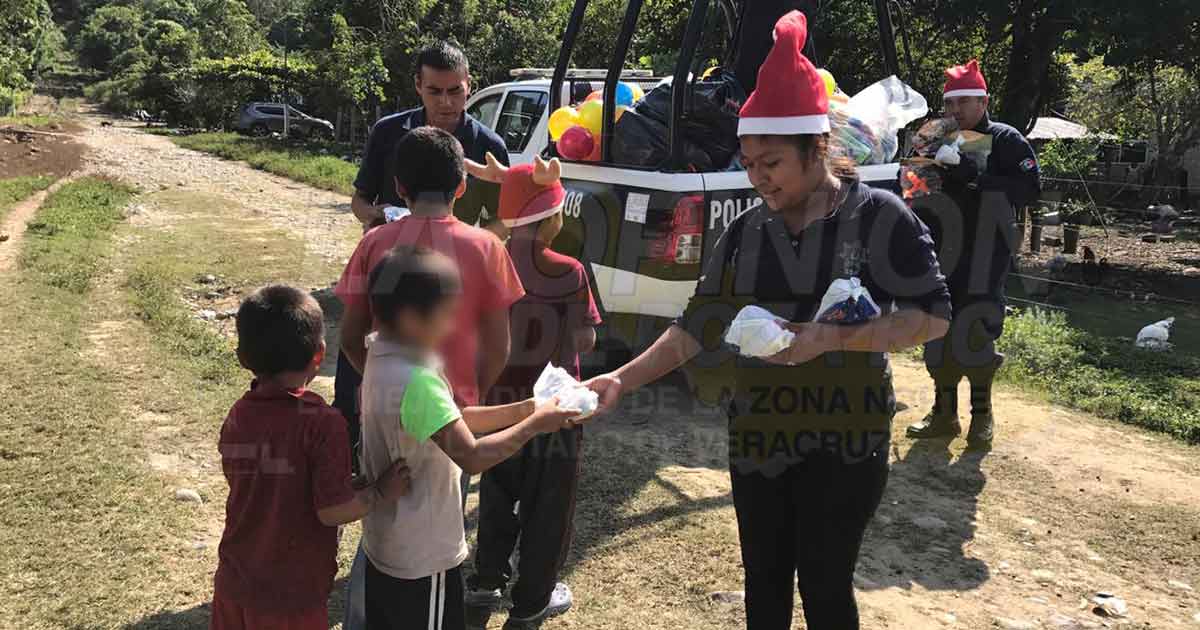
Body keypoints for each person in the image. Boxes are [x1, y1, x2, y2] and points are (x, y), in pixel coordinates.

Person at [585, 12, 951, 629]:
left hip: (847, 437)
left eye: (772, 163)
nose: (758, 178)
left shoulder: (879, 216)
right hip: (757, 434)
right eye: (750, 162)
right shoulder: (746, 230)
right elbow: (695, 325)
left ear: (817, 148)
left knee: (827, 585)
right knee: (764, 586)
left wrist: (830, 339)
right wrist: (621, 379)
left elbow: (934, 317)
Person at [337, 125, 526, 630]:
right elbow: (500, 344)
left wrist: (383, 384)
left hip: (386, 411)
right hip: (452, 417)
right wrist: (464, 402)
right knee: (434, 538)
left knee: (390, 523)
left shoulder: (375, 243)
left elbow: (351, 337)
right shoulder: (487, 247)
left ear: (398, 186)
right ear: (462, 186)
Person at [358, 246, 580, 630]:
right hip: (423, 555)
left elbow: (452, 421)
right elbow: (472, 456)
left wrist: (526, 408)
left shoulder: (382, 355)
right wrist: (535, 426)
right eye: (447, 317)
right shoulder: (418, 382)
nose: (453, 328)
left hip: (389, 542)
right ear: (412, 319)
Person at [335, 40, 510, 461]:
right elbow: (358, 201)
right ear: (418, 86)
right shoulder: (388, 134)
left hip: (455, 297)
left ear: (470, 87)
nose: (447, 102)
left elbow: (505, 220)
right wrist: (382, 218)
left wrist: (478, 242)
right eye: (435, 91)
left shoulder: (489, 147)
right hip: (392, 285)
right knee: (358, 427)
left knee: (441, 444)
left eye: (456, 91)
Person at [210, 285, 411, 630]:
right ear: (319, 355)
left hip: (234, 583)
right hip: (291, 596)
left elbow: (263, 479)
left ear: (243, 357)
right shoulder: (322, 423)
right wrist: (379, 491)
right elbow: (332, 511)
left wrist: (333, 483)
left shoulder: (239, 413)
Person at [460, 155, 601, 628]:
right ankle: (533, 599)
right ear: (550, 217)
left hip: (499, 405)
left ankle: (485, 581)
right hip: (556, 406)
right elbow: (585, 339)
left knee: (497, 494)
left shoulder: (485, 261)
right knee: (549, 506)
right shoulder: (570, 271)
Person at [904, 59, 1041, 449]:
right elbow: (912, 191)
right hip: (939, 251)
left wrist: (975, 176)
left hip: (986, 252)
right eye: (950, 104)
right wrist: (927, 172)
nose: (955, 111)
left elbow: (1029, 189)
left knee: (977, 334)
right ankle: (943, 414)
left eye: (964, 102)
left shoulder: (1007, 139)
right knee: (938, 331)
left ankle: (982, 417)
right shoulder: (933, 135)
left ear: (983, 101)